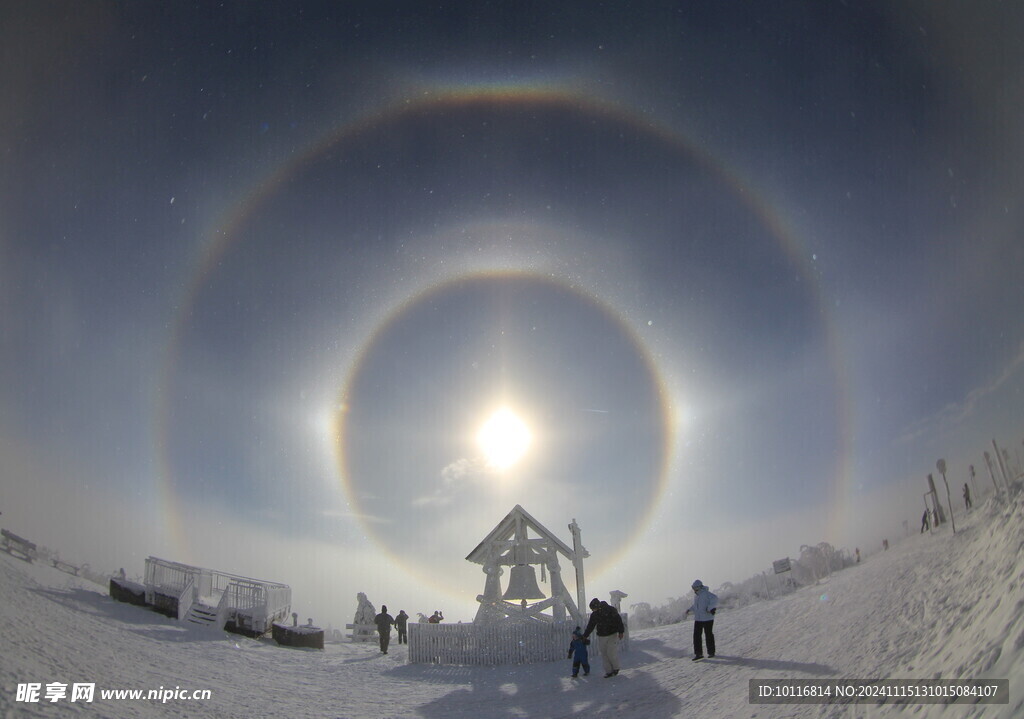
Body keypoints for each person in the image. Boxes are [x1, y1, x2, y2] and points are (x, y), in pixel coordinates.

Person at [581, 597, 625, 678]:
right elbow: (590, 626)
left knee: (611, 653)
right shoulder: (594, 615)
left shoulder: (611, 610)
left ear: (597, 606)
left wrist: (621, 631)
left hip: (612, 634)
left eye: (593, 609)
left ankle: (616, 668)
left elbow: (618, 620)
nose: (592, 611)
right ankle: (608, 671)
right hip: (601, 636)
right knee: (604, 654)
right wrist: (585, 636)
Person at [686, 580, 718, 661]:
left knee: (708, 635)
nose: (694, 590)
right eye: (693, 588)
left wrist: (710, 608)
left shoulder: (706, 594)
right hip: (698, 619)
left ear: (700, 587)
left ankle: (711, 652)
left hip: (707, 618)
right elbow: (696, 606)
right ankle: (698, 654)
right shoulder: (696, 596)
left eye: (695, 588)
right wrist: (690, 609)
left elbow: (715, 598)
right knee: (696, 636)